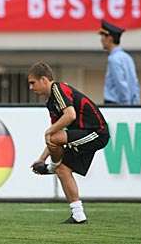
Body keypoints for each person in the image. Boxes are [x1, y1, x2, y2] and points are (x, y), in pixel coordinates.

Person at [28, 62, 110, 224]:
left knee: (53, 140)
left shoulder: (57, 89)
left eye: (32, 82)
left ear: (44, 79)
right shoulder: (50, 102)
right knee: (63, 169)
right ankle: (78, 215)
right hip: (85, 133)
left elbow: (70, 115)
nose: (31, 87)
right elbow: (54, 135)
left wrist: (48, 132)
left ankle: (52, 167)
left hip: (96, 132)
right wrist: (41, 159)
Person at [99, 20, 140, 105]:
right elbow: (135, 84)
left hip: (116, 104)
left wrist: (125, 105)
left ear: (110, 38)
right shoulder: (127, 58)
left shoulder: (113, 59)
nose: (101, 40)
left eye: (103, 37)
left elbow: (120, 83)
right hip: (130, 104)